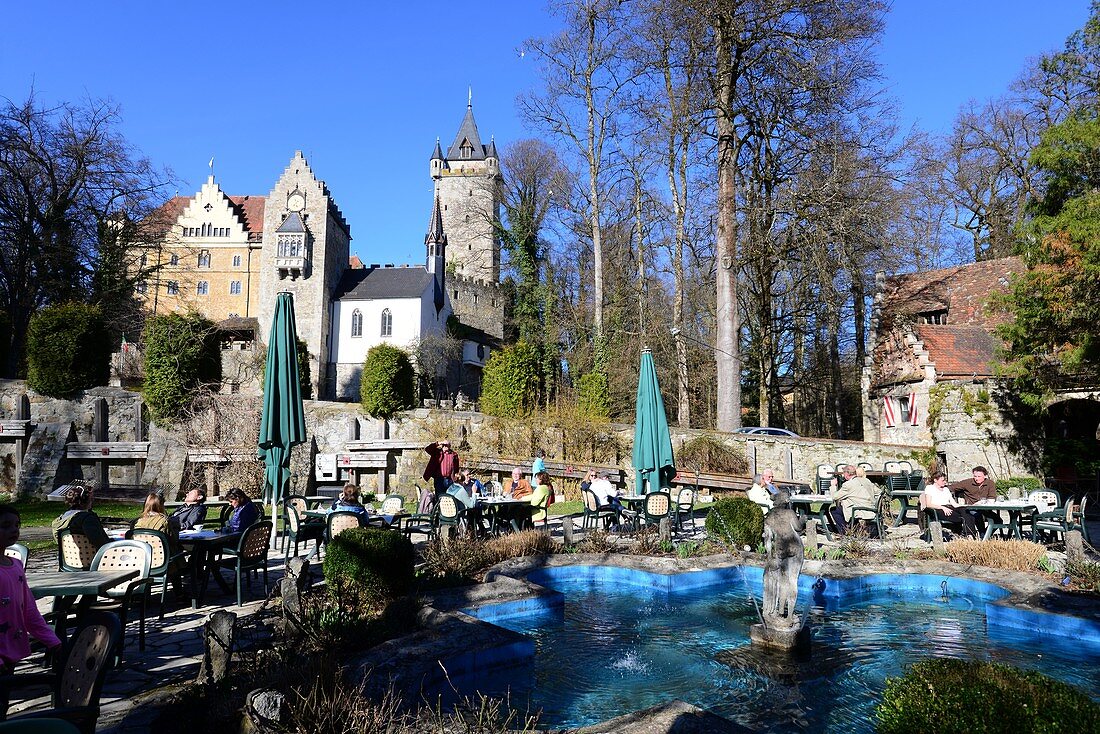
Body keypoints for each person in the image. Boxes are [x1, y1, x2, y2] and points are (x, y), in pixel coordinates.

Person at [0, 505, 61, 679]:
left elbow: (28, 609)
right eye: (5, 525)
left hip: (10, 651)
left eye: (17, 525)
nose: (14, 529)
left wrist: (51, 640)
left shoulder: (16, 565)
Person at [51, 482, 110, 550]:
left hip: (69, 558)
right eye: (91, 499)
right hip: (93, 558)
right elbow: (102, 544)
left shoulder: (59, 522)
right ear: (87, 501)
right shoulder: (87, 519)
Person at [922, 472, 978, 538]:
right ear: (935, 480)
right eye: (942, 480)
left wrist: (965, 506)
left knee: (966, 511)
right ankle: (969, 535)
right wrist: (942, 508)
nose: (945, 482)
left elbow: (954, 504)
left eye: (945, 480)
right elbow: (928, 504)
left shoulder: (946, 489)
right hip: (937, 508)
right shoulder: (930, 488)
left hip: (949, 507)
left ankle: (970, 534)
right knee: (964, 517)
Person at [830, 465, 879, 535]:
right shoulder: (866, 480)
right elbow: (879, 492)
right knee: (845, 507)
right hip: (872, 509)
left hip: (859, 510)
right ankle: (854, 529)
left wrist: (833, 486)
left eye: (844, 473)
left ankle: (845, 532)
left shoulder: (848, 485)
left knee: (834, 510)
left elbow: (834, 497)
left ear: (847, 474)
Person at [950, 466, 997, 534]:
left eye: (979, 476)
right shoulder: (967, 482)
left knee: (998, 520)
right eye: (975, 476)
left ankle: (986, 534)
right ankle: (982, 534)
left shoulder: (990, 483)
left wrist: (982, 502)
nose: (977, 478)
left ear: (985, 476)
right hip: (971, 508)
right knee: (978, 515)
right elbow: (951, 487)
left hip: (985, 508)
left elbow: (992, 498)